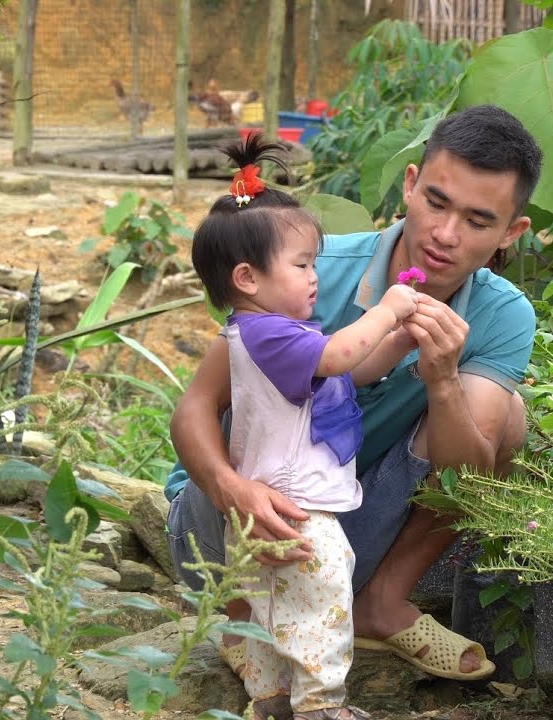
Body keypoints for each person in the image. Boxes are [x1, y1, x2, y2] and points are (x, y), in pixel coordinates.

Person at [166, 104, 543, 686]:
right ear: (411, 185)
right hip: (227, 529)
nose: (445, 234)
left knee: (504, 418)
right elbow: (197, 404)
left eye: (477, 220)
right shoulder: (305, 270)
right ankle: (239, 620)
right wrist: (228, 486)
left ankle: (381, 602)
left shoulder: (502, 314)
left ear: (510, 233)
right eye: (436, 203)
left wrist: (441, 381)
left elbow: (472, 476)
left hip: (337, 531)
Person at [187, 134, 421, 720]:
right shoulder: (267, 332)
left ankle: (269, 698)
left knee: (274, 600)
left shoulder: (275, 334)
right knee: (323, 593)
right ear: (246, 278)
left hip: (275, 497)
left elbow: (355, 369)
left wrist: (397, 340)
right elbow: (340, 358)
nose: (315, 277)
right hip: (293, 503)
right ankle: (321, 704)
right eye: (301, 264)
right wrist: (387, 309)